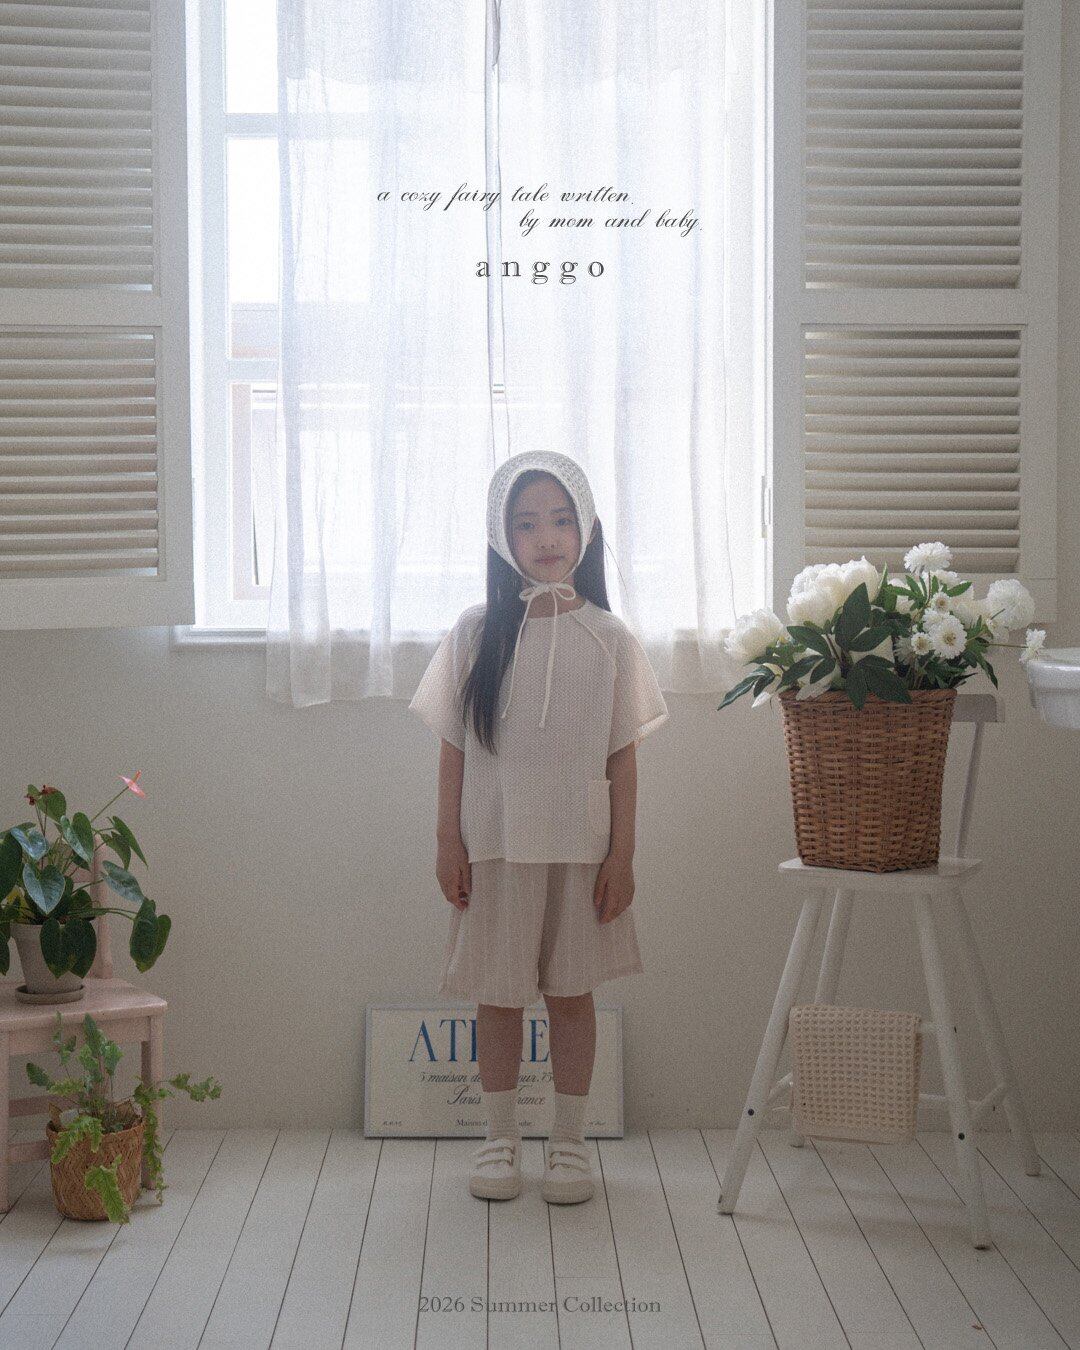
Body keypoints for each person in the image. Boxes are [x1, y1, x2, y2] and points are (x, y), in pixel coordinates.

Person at [408, 450, 669, 1204]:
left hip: (581, 850)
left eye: (560, 519)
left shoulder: (610, 637)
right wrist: (447, 842)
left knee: (572, 995)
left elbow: (623, 758)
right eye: (526, 524)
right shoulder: (476, 632)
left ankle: (569, 1144)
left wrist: (622, 856)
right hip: (495, 845)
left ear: (586, 529)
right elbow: (453, 748)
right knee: (498, 995)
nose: (546, 536)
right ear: (503, 537)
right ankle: (499, 1141)